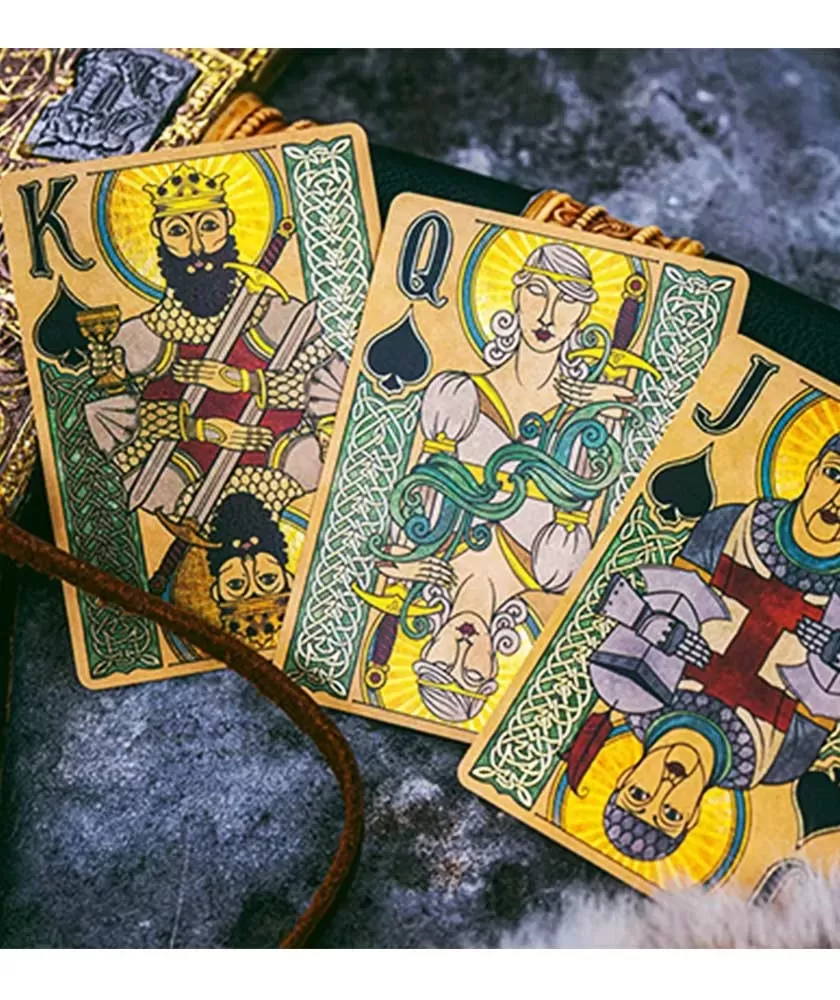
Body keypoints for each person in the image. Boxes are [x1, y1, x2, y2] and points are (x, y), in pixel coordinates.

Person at [373, 242, 635, 723]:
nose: (548, 313)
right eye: (470, 674)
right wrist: (602, 408)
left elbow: (399, 511)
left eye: (566, 299)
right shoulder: (553, 570)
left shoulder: (420, 549)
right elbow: (593, 477)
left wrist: (399, 566)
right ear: (494, 672)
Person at [575, 432, 840, 862]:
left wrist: (656, 624)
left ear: (625, 777)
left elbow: (659, 594)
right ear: (693, 817)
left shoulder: (630, 683)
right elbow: (829, 698)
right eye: (670, 813)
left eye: (640, 794)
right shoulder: (779, 762)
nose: (665, 788)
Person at [84, 165, 342, 519]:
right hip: (177, 482)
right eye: (178, 231)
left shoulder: (285, 318)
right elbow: (103, 418)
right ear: (158, 235)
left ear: (229, 223)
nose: (196, 247)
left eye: (209, 227)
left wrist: (246, 381)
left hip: (284, 468)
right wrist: (198, 429)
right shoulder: (137, 337)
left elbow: (335, 389)